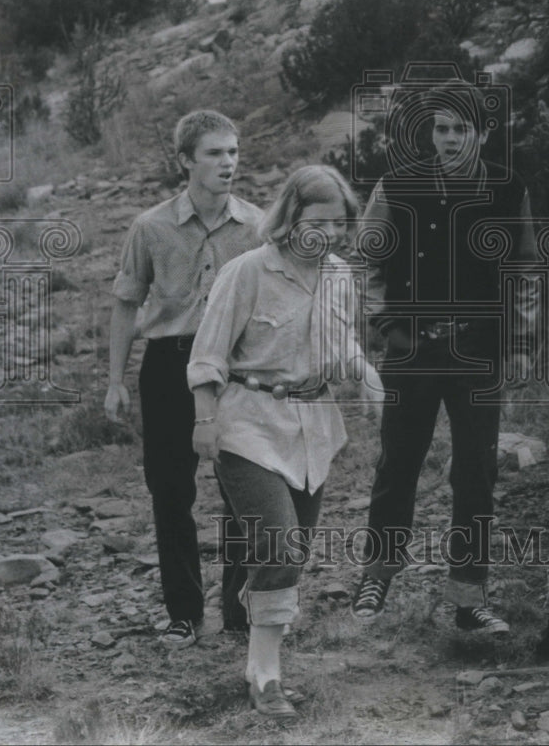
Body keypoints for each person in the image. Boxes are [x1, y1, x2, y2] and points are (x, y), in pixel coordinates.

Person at [188, 165, 383, 719]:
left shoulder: (340, 274)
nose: (326, 234)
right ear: (290, 216)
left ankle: (256, 665)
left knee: (287, 554)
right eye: (315, 221)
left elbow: (341, 341)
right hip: (247, 423)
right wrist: (205, 422)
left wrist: (367, 374)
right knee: (277, 543)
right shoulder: (246, 272)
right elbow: (208, 353)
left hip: (313, 426)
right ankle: (268, 680)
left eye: (338, 224)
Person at [350, 80, 539, 634]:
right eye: (441, 128)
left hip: (478, 352)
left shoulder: (508, 189)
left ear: (482, 133)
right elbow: (369, 263)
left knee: (476, 472)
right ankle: (376, 577)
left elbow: (525, 270)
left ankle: (468, 598)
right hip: (412, 350)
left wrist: (523, 343)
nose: (450, 139)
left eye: (461, 129)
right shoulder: (398, 185)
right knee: (397, 465)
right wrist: (388, 325)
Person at [105, 110, 263, 647]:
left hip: (236, 370)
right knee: (171, 493)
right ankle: (184, 613)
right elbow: (126, 303)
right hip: (169, 364)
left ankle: (241, 612)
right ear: (186, 161)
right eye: (215, 153)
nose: (228, 163)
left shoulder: (258, 227)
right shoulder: (150, 227)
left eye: (233, 151)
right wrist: (115, 380)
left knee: (244, 492)